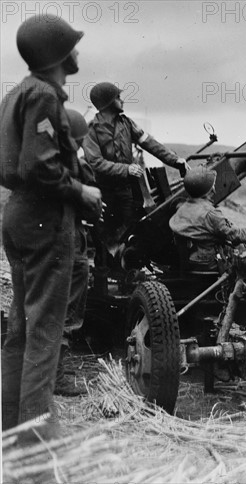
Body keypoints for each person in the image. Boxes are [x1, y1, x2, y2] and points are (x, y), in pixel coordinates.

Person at [0, 15, 102, 433]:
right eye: (72, 45)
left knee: (20, 331)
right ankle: (38, 445)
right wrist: (82, 193)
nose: (77, 52)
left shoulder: (15, 95)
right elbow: (39, 166)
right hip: (45, 219)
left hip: (18, 217)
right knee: (44, 335)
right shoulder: (43, 96)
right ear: (57, 54)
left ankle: (11, 432)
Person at [82, 82, 188, 248]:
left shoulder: (127, 123)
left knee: (132, 228)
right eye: (118, 97)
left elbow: (150, 143)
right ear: (108, 102)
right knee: (105, 234)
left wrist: (175, 160)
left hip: (127, 190)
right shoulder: (90, 130)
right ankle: (105, 270)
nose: (122, 100)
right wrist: (126, 169)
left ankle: (129, 268)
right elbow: (96, 162)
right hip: (104, 192)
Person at [53, 109, 97, 397]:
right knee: (67, 311)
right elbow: (91, 205)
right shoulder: (73, 168)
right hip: (67, 242)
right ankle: (56, 378)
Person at [169, 166, 246, 270]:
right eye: (213, 184)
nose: (214, 187)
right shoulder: (210, 214)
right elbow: (237, 235)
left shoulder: (181, 208)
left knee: (245, 245)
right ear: (211, 190)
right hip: (211, 264)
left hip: (191, 261)